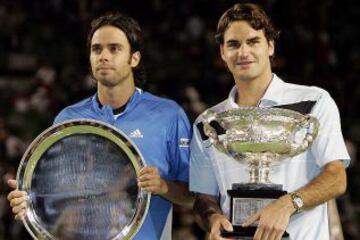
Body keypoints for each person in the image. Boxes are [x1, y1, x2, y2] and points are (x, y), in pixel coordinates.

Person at [7, 12, 194, 240]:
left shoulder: (168, 115)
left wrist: (164, 187)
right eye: (97, 49)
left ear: (134, 58)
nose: (104, 56)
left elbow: (192, 196)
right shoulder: (68, 119)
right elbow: (56, 193)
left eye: (114, 49)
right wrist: (29, 200)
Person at [189, 3, 350, 240]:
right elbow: (204, 198)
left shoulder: (313, 102)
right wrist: (212, 218)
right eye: (233, 44)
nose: (243, 52)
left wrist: (288, 204)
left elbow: (336, 177)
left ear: (270, 46)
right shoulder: (208, 123)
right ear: (223, 53)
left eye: (253, 42)